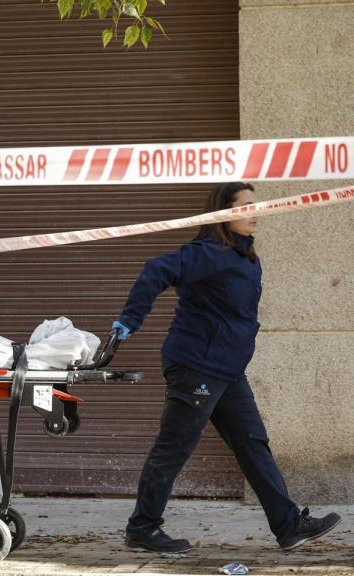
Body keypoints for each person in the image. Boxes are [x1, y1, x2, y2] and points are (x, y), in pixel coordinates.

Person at [112, 181, 341, 554]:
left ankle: (288, 525)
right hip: (196, 366)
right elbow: (155, 270)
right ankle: (142, 528)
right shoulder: (209, 253)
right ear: (224, 213)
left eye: (256, 204)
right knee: (175, 447)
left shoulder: (244, 256)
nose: (255, 211)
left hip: (228, 370)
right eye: (246, 205)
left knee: (253, 443)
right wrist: (131, 318)